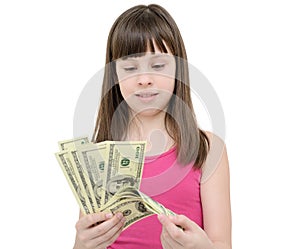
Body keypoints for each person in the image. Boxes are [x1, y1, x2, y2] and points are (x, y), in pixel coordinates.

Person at [73, 4, 231, 249]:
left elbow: (222, 243)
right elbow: (88, 240)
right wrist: (81, 245)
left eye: (158, 66)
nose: (144, 79)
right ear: (114, 75)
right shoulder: (100, 155)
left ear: (178, 68)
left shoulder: (208, 150)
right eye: (130, 68)